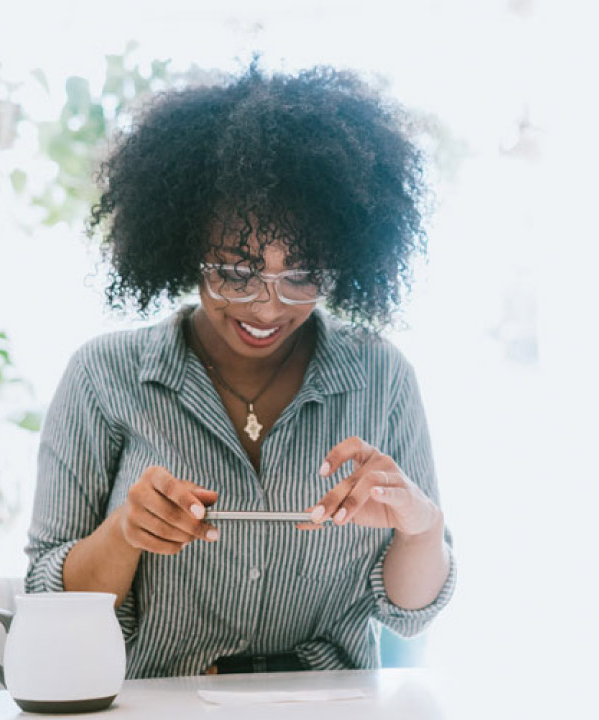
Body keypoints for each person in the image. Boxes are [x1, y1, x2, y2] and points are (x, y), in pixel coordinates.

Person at [25, 62, 456, 678]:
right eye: (234, 270)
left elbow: (411, 612)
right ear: (181, 245)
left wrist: (420, 527)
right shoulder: (104, 376)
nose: (266, 305)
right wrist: (125, 533)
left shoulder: (381, 377)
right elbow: (48, 604)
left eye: (301, 274)